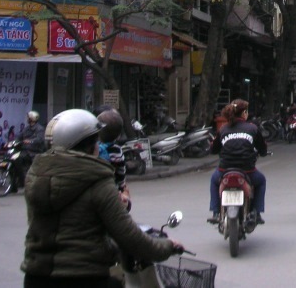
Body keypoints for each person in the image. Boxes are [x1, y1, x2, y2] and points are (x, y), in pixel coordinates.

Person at [21, 108, 182, 288]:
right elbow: (129, 237)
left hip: (35, 277)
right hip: (84, 277)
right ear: (89, 146)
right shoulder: (97, 180)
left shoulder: (35, 177)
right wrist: (166, 247)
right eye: (96, 141)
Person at [207, 99, 268, 225]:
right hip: (247, 170)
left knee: (214, 181)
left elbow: (213, 149)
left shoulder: (223, 129)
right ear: (244, 113)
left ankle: (215, 212)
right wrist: (262, 153)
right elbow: (262, 148)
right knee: (261, 181)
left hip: (224, 170)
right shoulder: (252, 128)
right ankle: (256, 212)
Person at [95, 107, 130, 210]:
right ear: (118, 135)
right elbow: (121, 172)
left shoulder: (92, 148)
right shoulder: (117, 150)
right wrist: (122, 187)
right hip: (111, 191)